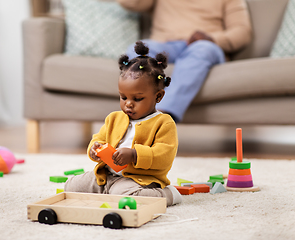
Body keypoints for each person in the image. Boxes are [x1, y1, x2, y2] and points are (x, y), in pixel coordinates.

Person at [64, 41, 182, 206]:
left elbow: (164, 155)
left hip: (139, 180)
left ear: (158, 97)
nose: (128, 104)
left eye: (137, 98)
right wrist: (94, 148)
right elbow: (99, 138)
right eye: (123, 97)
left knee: (126, 196)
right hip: (107, 175)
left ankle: (167, 194)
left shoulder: (164, 122)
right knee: (71, 187)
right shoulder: (114, 118)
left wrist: (135, 155)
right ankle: (109, 192)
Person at [117, 0, 252, 122]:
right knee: (138, 50)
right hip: (165, 44)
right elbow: (129, 3)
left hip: (205, 45)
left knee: (203, 49)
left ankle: (159, 121)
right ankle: (134, 115)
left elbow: (242, 32)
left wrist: (211, 39)